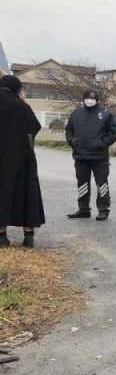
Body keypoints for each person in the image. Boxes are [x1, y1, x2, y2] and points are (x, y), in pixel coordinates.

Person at [0, 75, 45, 248]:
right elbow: (34, 127)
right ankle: (28, 236)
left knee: (2, 194)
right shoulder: (22, 106)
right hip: (23, 158)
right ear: (17, 89)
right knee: (27, 193)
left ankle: (2, 237)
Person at [65, 89, 116, 220]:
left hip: (99, 156)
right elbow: (69, 130)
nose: (89, 100)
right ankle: (83, 209)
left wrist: (101, 144)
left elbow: (112, 134)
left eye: (92, 98)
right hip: (80, 156)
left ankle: (103, 210)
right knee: (82, 183)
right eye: (87, 98)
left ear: (97, 100)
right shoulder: (76, 113)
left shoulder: (105, 113)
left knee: (102, 184)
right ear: (83, 99)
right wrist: (72, 141)